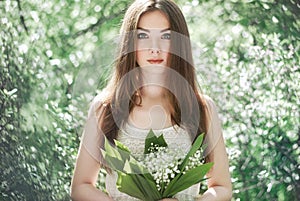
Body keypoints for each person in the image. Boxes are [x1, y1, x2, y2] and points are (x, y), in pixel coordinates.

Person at [70, 0, 232, 200]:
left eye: (165, 36)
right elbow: (81, 187)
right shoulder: (105, 108)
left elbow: (222, 187)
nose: (154, 48)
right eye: (143, 36)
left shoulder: (202, 108)